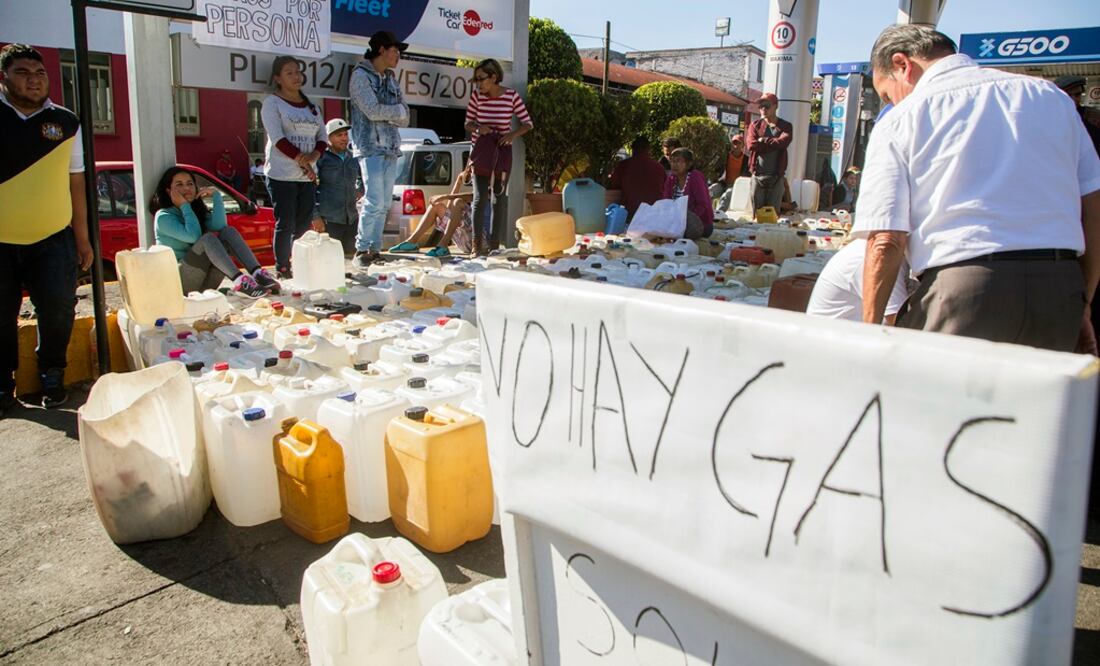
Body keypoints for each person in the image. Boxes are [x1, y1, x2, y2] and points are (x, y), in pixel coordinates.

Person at [857, 24, 1100, 353]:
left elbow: (886, 239)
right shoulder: (1051, 97)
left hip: (963, 289)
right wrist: (1082, 300)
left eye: (887, 95)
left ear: (902, 64)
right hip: (1059, 287)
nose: (891, 103)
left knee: (941, 387)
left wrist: (868, 334)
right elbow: (1093, 208)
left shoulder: (904, 116)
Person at [0, 43, 93, 412]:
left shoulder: (66, 122)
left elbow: (76, 180)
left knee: (58, 310)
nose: (34, 80)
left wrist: (82, 238)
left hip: (53, 238)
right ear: (4, 77)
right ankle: (3, 384)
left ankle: (52, 373)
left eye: (40, 73)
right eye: (23, 73)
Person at [153, 166, 277, 298]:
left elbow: (220, 226)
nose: (187, 188)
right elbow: (193, 236)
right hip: (180, 283)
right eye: (179, 184)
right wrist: (184, 206)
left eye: (190, 184)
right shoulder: (163, 217)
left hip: (205, 284)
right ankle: (240, 282)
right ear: (169, 191)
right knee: (207, 239)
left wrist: (217, 196)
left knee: (228, 232)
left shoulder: (195, 211)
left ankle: (258, 273)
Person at [262, 55, 327, 279]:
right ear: (278, 78)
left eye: (298, 71)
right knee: (286, 223)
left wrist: (314, 156)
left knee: (303, 225)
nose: (296, 76)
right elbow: (278, 139)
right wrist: (302, 160)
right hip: (282, 175)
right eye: (289, 73)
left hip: (306, 177)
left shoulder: (313, 107)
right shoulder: (272, 103)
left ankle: (300, 264)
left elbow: (322, 137)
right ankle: (282, 267)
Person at [349, 30, 410, 268]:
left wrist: (394, 113)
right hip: (370, 146)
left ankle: (374, 249)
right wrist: (396, 112)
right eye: (395, 51)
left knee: (384, 203)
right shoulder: (360, 76)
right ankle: (362, 248)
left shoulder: (391, 79)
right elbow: (372, 110)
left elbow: (406, 116)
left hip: (391, 147)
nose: (398, 56)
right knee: (374, 200)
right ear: (381, 50)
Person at [464, 58, 533, 255]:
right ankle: (477, 245)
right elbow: (468, 123)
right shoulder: (477, 97)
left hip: (502, 152)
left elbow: (528, 123)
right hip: (481, 152)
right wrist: (480, 128)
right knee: (479, 198)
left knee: (499, 198)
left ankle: (494, 246)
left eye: (481, 79)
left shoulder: (511, 96)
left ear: (494, 77)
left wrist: (511, 135)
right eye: (476, 80)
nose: (478, 84)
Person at [807, 239, 910, 323]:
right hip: (837, 339)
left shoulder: (873, 247)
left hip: (849, 335)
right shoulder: (880, 256)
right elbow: (899, 322)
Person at [389, 165, 474, 258]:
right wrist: (458, 181)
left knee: (458, 202)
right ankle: (411, 241)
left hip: (479, 240)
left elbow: (475, 196)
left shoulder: (484, 176)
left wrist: (445, 196)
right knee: (436, 206)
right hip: (464, 241)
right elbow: (450, 209)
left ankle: (443, 245)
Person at [312, 118, 363, 257]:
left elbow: (364, 177)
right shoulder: (321, 158)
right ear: (328, 138)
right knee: (329, 259)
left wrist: (360, 190)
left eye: (345, 134)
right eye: (339, 135)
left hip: (351, 219)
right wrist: (315, 216)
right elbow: (310, 188)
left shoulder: (353, 157)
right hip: (329, 220)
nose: (344, 138)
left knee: (351, 260)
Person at [745, 93, 793, 217]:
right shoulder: (755, 125)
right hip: (757, 176)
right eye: (760, 106)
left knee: (773, 216)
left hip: (776, 178)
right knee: (757, 216)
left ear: (775, 106)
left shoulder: (786, 126)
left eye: (766, 105)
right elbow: (751, 145)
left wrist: (763, 140)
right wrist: (773, 144)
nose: (763, 109)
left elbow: (783, 143)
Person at [609, 136, 665, 222]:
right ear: (649, 149)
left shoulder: (623, 166)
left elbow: (613, 186)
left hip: (629, 214)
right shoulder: (659, 167)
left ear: (632, 149)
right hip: (654, 214)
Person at [661, 147, 713, 239]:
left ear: (688, 164)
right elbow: (666, 202)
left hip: (699, 223)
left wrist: (685, 219)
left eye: (678, 161)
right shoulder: (671, 179)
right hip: (677, 223)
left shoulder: (695, 177)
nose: (674, 164)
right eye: (672, 161)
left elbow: (703, 205)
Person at [1057, 75, 1100, 158]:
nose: (1074, 99)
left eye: (1077, 94)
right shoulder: (1052, 119)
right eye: (1068, 95)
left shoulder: (1094, 116)